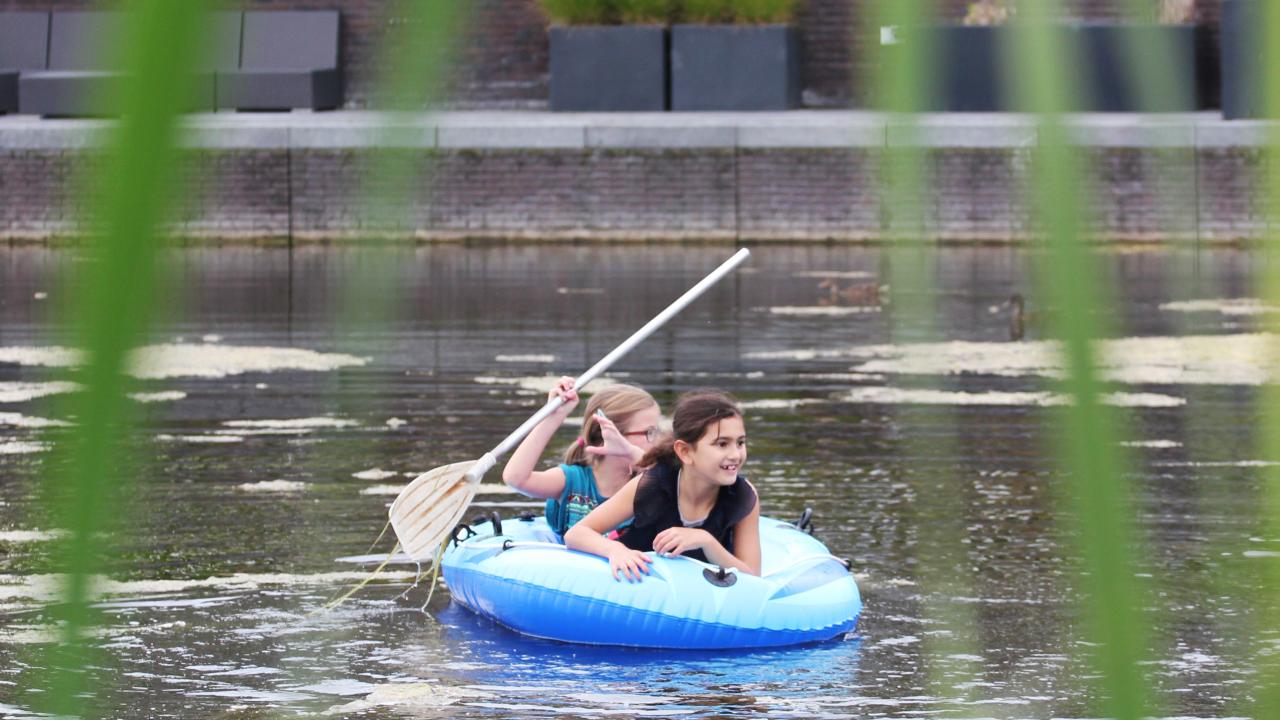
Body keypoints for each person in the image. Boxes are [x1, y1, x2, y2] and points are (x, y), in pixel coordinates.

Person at [565, 390, 760, 581]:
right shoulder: (653, 485)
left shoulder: (742, 496)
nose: (736, 454)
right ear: (685, 452)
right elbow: (577, 533)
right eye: (722, 444)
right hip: (635, 587)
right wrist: (615, 550)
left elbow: (753, 579)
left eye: (740, 443)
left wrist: (706, 541)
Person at [502, 377, 661, 537]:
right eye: (649, 432)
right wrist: (554, 416)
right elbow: (516, 479)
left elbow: (672, 480)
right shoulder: (572, 481)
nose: (658, 441)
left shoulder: (652, 483)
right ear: (608, 434)